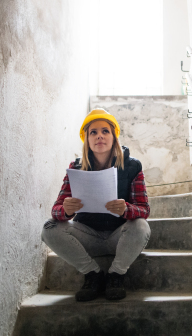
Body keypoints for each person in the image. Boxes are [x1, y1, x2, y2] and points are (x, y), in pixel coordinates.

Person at [41, 108, 151, 302]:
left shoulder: (133, 166)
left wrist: (127, 209)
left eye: (105, 131)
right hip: (88, 236)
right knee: (49, 228)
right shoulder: (75, 168)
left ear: (114, 136)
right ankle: (93, 274)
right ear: (87, 139)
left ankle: (116, 275)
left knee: (141, 225)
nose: (99, 136)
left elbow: (144, 209)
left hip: (120, 237)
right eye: (93, 132)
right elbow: (56, 210)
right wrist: (65, 210)